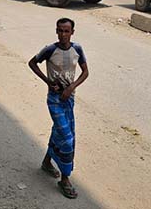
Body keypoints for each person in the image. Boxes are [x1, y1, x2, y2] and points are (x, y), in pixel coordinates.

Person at [28, 18, 89, 199]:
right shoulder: (50, 50)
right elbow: (32, 63)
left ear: (72, 32)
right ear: (56, 31)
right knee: (68, 139)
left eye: (66, 31)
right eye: (60, 31)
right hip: (54, 100)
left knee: (59, 132)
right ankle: (65, 179)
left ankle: (47, 162)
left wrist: (71, 87)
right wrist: (48, 81)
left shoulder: (77, 49)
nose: (63, 34)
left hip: (69, 99)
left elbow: (86, 72)